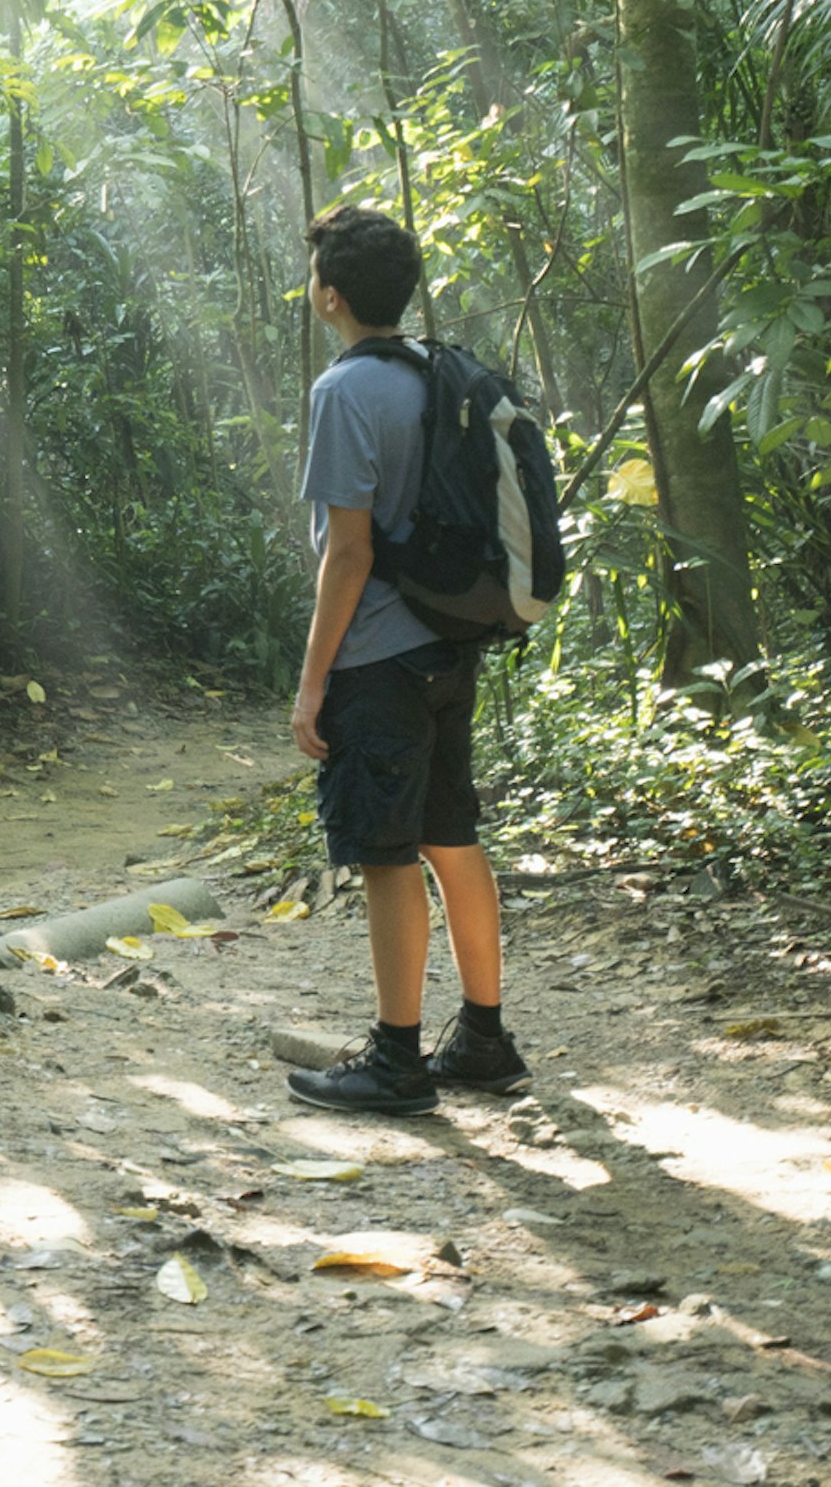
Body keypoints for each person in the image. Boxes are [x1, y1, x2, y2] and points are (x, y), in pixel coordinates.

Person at [281, 203, 527, 1115]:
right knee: (452, 837)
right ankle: (486, 1038)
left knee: (387, 855)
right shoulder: (435, 372)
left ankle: (396, 1060)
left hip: (378, 654)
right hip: (449, 645)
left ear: (330, 296)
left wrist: (312, 685)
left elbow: (347, 554)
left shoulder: (343, 392)